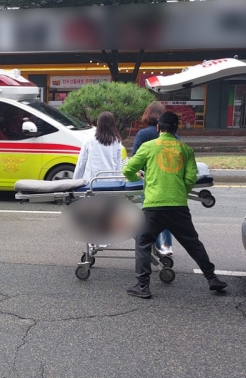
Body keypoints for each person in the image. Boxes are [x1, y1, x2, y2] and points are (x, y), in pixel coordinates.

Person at [123, 112, 227, 298]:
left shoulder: (148, 147)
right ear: (176, 129)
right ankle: (212, 279)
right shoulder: (185, 150)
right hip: (178, 206)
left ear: (158, 128)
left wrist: (135, 177)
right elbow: (190, 178)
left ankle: (143, 286)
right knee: (193, 243)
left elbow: (128, 169)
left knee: (143, 241)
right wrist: (180, 192)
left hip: (153, 207)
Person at [133, 101, 174, 256]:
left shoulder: (143, 134)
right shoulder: (171, 134)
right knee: (167, 213)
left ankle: (155, 246)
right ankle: (167, 245)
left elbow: (136, 159)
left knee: (151, 215)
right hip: (168, 178)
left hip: (149, 180)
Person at [73, 111, 123, 182]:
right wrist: (119, 183)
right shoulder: (117, 141)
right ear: (113, 124)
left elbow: (81, 162)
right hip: (110, 181)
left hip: (92, 181)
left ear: (98, 123)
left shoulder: (90, 139)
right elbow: (118, 166)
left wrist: (75, 181)